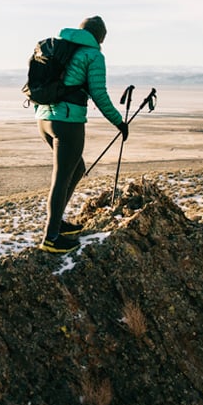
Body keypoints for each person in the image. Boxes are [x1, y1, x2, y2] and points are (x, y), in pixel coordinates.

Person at [34, 15, 128, 254]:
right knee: (61, 178)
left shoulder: (60, 47)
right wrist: (119, 122)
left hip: (44, 119)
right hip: (67, 122)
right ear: (100, 37)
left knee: (76, 169)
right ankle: (51, 237)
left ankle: (58, 224)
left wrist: (44, 113)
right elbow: (99, 94)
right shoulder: (93, 55)